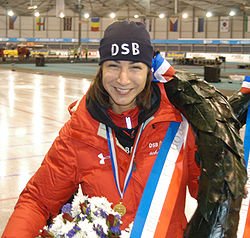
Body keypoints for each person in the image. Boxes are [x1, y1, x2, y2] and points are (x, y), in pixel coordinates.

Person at [2, 21, 245, 238]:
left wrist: (230, 180)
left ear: (149, 70)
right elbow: (38, 201)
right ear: (101, 68)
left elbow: (204, 186)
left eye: (135, 67)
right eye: (114, 66)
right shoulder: (78, 130)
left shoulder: (178, 122)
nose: (123, 79)